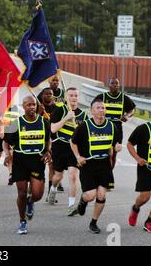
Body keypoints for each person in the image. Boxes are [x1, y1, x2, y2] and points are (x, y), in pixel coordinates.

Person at [70, 99, 122, 233]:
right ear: (92, 111)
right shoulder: (84, 126)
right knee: (90, 195)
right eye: (98, 108)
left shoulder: (112, 126)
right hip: (88, 164)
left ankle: (93, 222)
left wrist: (117, 147)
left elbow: (115, 144)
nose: (101, 110)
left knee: (101, 195)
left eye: (103, 108)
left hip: (104, 164)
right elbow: (73, 142)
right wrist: (78, 157)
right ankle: (83, 200)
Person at [1, 96, 51, 234]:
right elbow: (5, 143)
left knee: (38, 194)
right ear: (23, 106)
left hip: (37, 162)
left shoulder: (44, 122)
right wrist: (8, 155)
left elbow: (48, 140)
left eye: (34, 105)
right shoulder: (16, 123)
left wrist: (47, 151)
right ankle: (22, 221)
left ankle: (31, 202)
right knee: (21, 193)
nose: (32, 107)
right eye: (29, 105)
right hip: (20, 161)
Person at [48, 88, 88, 216]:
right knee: (58, 176)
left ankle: (71, 206)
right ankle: (53, 189)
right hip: (59, 146)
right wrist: (66, 118)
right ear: (66, 97)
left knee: (72, 175)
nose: (73, 98)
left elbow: (86, 136)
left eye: (76, 95)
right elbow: (53, 129)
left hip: (74, 148)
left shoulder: (83, 115)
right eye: (71, 95)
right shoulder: (59, 110)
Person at [95, 77, 136, 168]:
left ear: (119, 86)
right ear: (108, 85)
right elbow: (93, 107)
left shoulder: (123, 98)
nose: (115, 85)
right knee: (103, 152)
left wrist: (126, 116)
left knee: (113, 153)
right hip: (103, 128)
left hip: (117, 129)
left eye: (116, 83)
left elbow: (132, 110)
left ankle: (109, 173)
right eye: (112, 83)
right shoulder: (102, 97)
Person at [0, 105, 21, 181]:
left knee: (10, 155)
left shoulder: (15, 108)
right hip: (0, 134)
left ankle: (11, 174)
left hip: (10, 135)